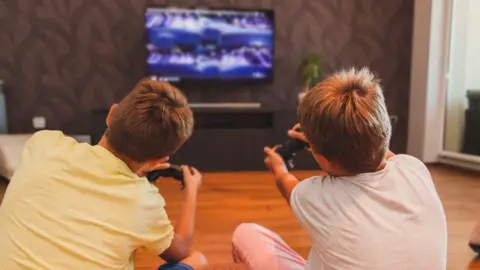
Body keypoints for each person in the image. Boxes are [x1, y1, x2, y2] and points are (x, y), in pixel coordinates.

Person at [232, 67, 447, 269]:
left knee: (246, 233)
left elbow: (285, 181)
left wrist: (278, 166)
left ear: (324, 160)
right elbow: (379, 148)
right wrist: (323, 140)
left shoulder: (314, 196)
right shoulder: (414, 169)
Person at [0, 78, 207, 270]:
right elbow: (180, 251)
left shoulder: (44, 144)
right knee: (197, 261)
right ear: (160, 160)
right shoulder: (143, 202)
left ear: (111, 114)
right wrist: (191, 191)